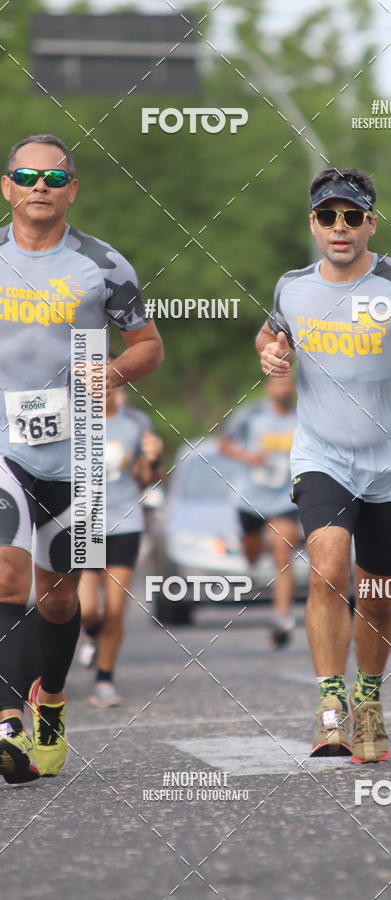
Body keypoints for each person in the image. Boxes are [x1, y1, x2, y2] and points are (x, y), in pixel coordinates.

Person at [255, 167, 391, 762]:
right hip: (322, 454)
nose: (340, 227)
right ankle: (330, 705)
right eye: (328, 216)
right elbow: (271, 337)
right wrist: (273, 355)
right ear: (314, 224)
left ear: (371, 223)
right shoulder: (292, 287)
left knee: (375, 591)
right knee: (326, 567)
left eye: (352, 216)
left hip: (388, 464)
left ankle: (368, 699)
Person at [0, 134, 163, 784]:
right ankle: (9, 721)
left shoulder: (103, 265)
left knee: (61, 599)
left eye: (54, 176)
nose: (40, 185)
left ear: (72, 190)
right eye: (26, 175)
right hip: (5, 443)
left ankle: (53, 703)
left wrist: (117, 373)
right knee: (8, 577)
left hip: (81, 452)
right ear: (8, 186)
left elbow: (149, 344)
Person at [78, 383, 163, 706]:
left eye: (108, 378)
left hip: (125, 523)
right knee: (88, 610)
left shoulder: (135, 424)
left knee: (115, 609)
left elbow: (147, 478)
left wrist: (152, 460)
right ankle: (91, 633)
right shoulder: (75, 421)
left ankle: (104, 680)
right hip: (83, 525)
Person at [219, 373, 301, 648]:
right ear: (268, 385)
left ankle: (282, 617)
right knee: (252, 557)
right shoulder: (251, 414)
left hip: (284, 500)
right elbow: (224, 444)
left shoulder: (303, 416)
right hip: (250, 499)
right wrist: (247, 456)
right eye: (278, 382)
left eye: (288, 382)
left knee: (283, 552)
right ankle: (260, 545)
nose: (283, 387)